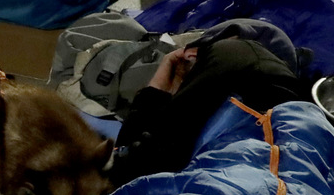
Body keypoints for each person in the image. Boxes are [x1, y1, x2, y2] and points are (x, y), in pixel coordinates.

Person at [109, 20, 308, 186]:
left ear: (191, 54)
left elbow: (139, 163)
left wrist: (156, 90)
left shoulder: (235, 51)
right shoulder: (265, 88)